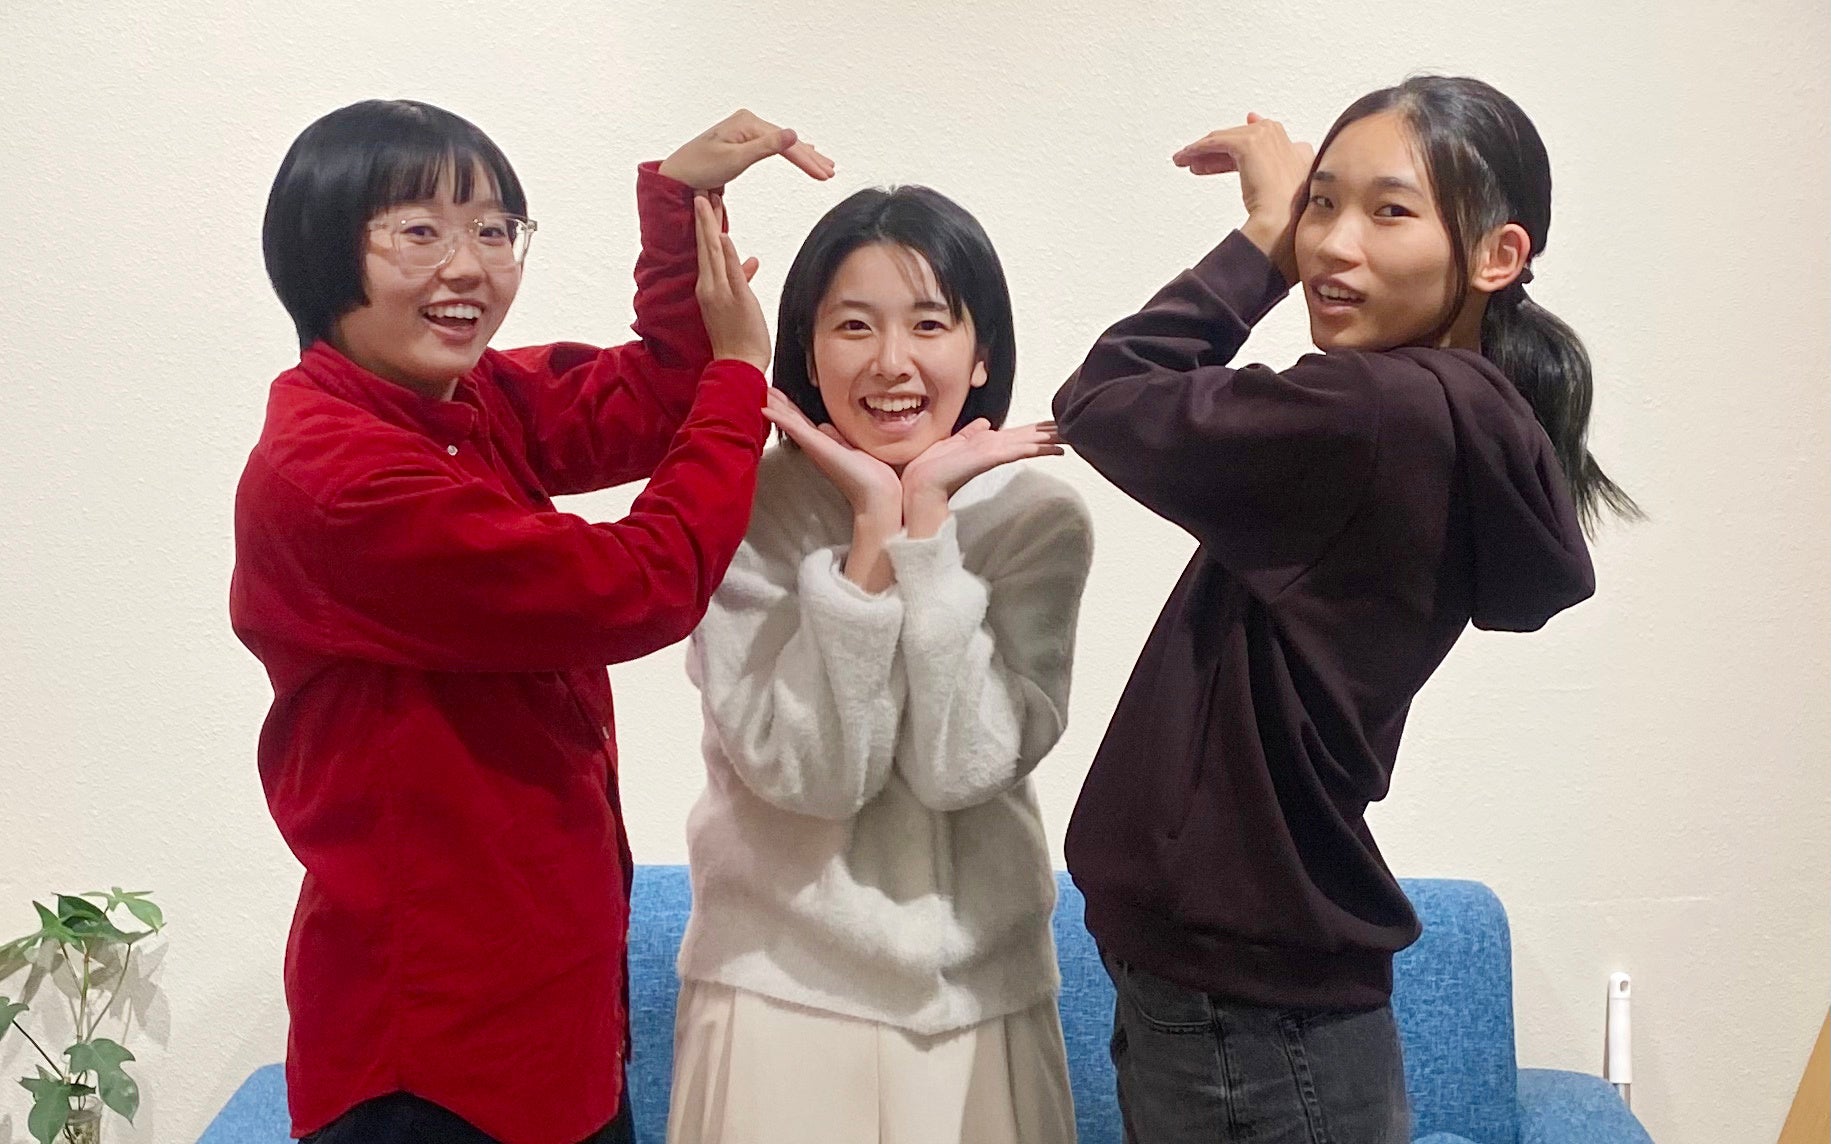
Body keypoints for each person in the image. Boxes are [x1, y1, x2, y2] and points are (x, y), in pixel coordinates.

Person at [231, 99, 831, 1144]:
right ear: (321, 248)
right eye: (420, 231)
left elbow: (648, 398)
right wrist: (740, 374)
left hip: (555, 1021)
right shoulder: (339, 478)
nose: (468, 266)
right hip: (434, 1059)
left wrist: (677, 206)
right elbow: (637, 583)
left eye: (494, 228)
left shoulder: (459, 403)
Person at [1054, 75, 1639, 1143]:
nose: (1330, 244)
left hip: (1245, 1011)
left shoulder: (1375, 411)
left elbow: (1103, 399)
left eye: (1388, 210)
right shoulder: (1442, 414)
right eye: (1318, 203)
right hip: (1259, 995)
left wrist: (1260, 244)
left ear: (1496, 256)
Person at [666, 185, 1092, 1144]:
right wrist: (870, 533)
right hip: (775, 991)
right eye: (853, 325)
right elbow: (812, 777)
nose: (891, 362)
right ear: (806, 351)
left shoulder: (1034, 519)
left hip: (980, 1000)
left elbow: (961, 769)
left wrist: (926, 532)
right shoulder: (740, 508)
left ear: (981, 354)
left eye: (928, 324)